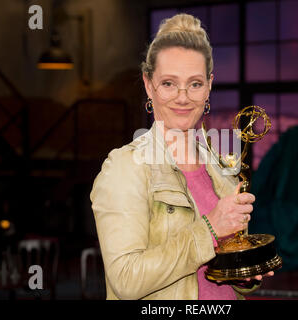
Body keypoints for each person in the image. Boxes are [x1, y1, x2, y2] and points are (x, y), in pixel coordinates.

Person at [90, 13, 273, 300]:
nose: (183, 96)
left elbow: (221, 275)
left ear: (209, 85)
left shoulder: (222, 169)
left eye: (195, 83)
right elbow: (126, 280)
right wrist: (210, 229)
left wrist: (245, 273)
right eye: (169, 83)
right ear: (149, 85)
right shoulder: (125, 168)